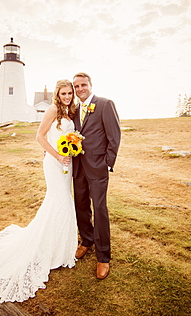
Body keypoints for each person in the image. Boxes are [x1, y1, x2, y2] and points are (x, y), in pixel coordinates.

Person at [0, 79, 78, 303]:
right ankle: (49, 248)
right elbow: (39, 136)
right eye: (64, 93)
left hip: (67, 161)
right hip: (55, 162)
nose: (67, 96)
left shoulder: (70, 111)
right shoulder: (52, 109)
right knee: (59, 201)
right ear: (58, 94)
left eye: (70, 93)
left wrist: (71, 150)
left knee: (65, 200)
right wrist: (57, 156)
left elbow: (65, 137)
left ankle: (60, 247)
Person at [72, 72, 121, 280]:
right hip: (78, 166)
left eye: (83, 85)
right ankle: (86, 239)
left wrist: (107, 164)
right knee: (80, 204)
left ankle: (103, 256)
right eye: (76, 86)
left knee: (99, 208)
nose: (80, 89)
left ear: (91, 85)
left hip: (98, 167)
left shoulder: (105, 104)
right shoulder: (74, 109)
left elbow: (114, 135)